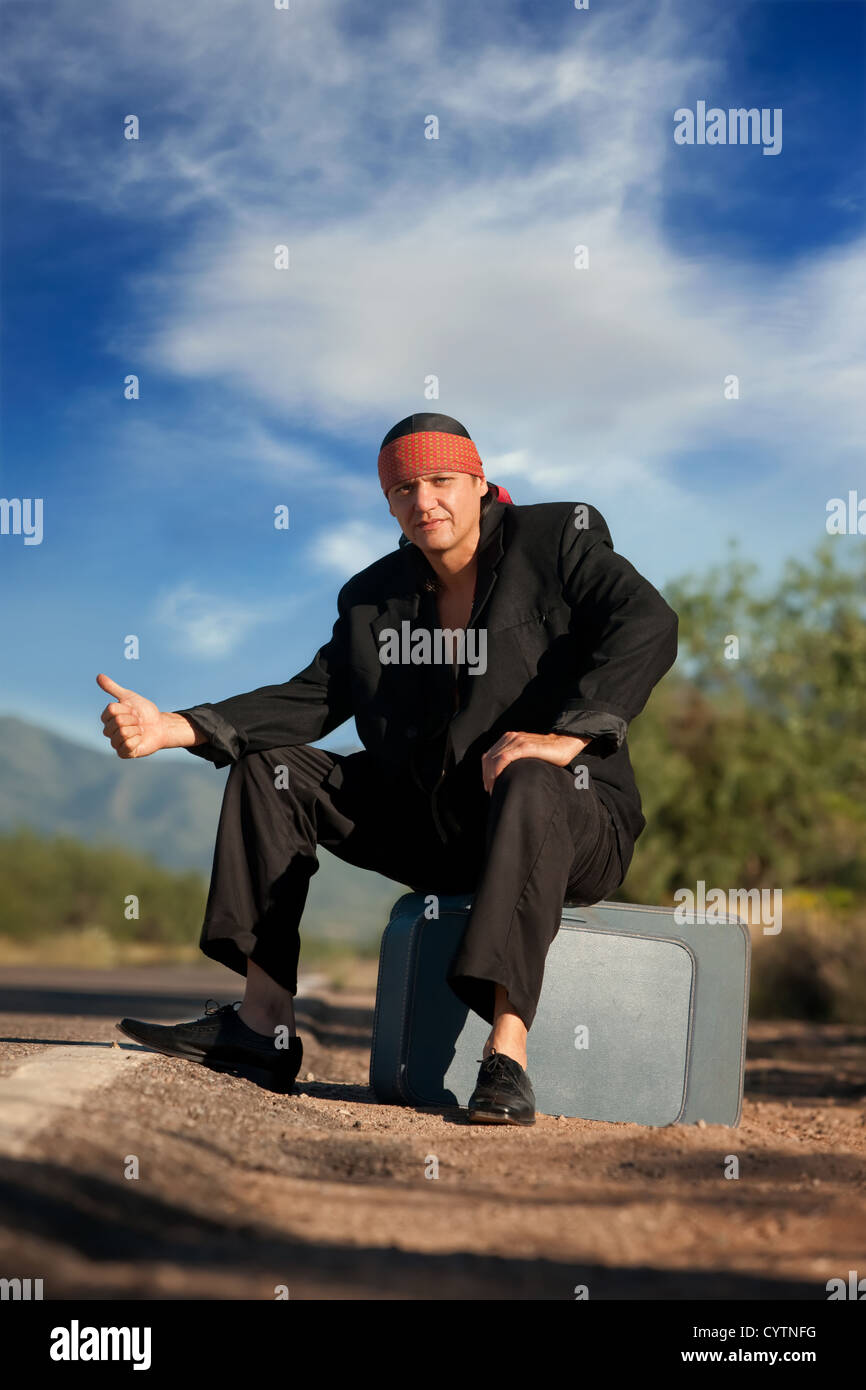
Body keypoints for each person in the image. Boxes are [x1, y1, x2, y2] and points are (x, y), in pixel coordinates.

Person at [98, 412, 678, 1126]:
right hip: (438, 821)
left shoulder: (559, 540)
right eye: (403, 490)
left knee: (532, 776)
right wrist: (172, 727)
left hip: (570, 819)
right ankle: (262, 1026)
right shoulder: (374, 598)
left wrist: (568, 736)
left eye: (439, 480)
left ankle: (507, 1057)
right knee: (269, 770)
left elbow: (648, 621)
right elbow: (315, 697)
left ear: (477, 480)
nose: (423, 501)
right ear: (389, 505)